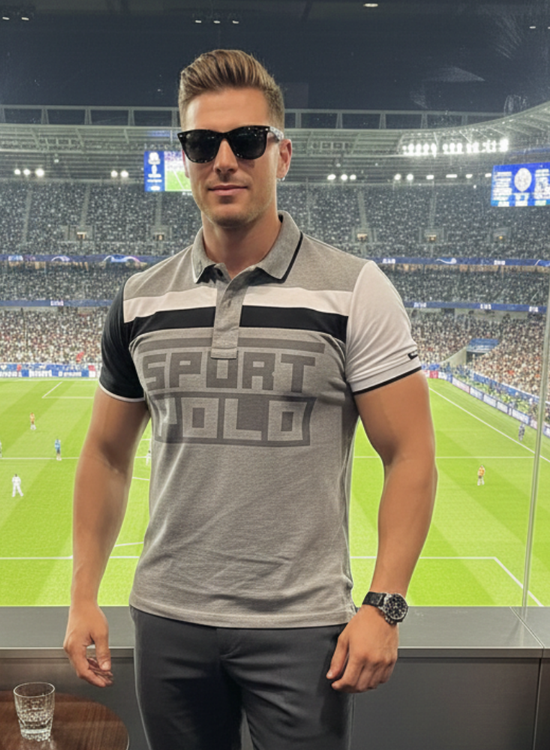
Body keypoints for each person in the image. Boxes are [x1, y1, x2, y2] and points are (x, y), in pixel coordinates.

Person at [64, 49, 437, 750]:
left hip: (302, 629)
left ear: (282, 154)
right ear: (185, 161)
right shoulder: (140, 299)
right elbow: (106, 455)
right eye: (202, 144)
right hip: (168, 620)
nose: (225, 161)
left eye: (247, 139)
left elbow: (411, 453)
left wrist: (384, 605)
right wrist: (83, 595)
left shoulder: (356, 289)